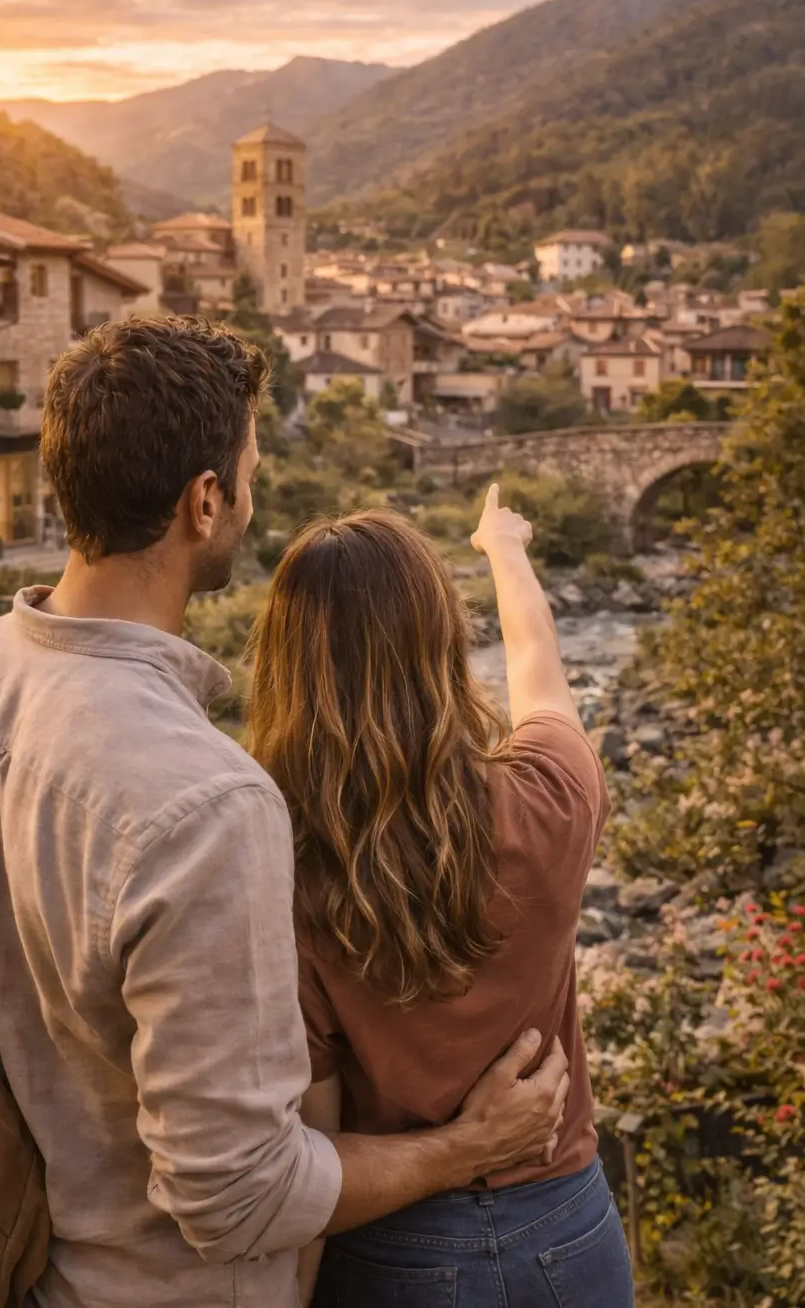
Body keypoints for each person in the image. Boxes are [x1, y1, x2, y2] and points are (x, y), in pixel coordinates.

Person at [0, 318, 569, 1308]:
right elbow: (237, 1197)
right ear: (205, 501)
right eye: (247, 471)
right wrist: (463, 1147)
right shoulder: (208, 805)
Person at [248, 498, 635, 1307]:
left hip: (394, 1252)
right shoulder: (550, 800)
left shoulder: (285, 878)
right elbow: (538, 667)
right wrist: (504, 550)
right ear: (443, 647)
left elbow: (317, 1147)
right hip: (570, 1233)